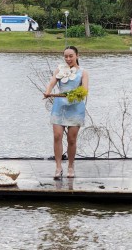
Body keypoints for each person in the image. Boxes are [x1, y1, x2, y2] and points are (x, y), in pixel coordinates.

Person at [43, 46, 89, 180]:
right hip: (59, 107)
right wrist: (48, 91)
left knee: (72, 139)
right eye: (66, 56)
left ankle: (70, 166)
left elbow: (85, 90)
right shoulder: (59, 70)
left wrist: (71, 94)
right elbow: (52, 82)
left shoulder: (83, 72)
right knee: (57, 136)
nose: (68, 59)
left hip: (75, 108)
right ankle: (58, 167)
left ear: (77, 56)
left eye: (71, 56)